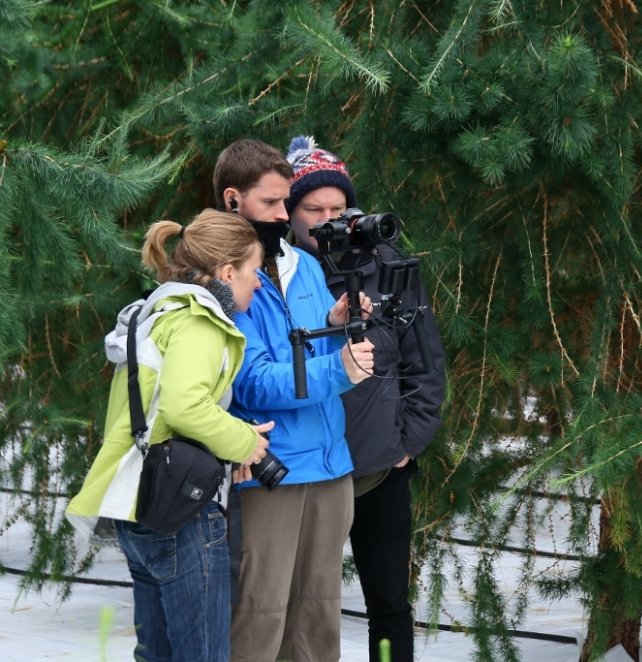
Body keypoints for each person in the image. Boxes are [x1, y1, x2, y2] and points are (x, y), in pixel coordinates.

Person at [66, 209, 272, 662]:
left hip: (138, 501)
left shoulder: (159, 312)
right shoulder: (200, 321)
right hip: (183, 512)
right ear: (227, 272)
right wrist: (244, 442)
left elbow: (162, 409)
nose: (259, 283)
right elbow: (185, 406)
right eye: (254, 271)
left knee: (156, 654)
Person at [283, 136, 447, 662]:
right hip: (307, 468)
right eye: (314, 210)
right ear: (289, 212)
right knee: (302, 600)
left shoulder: (387, 263)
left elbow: (425, 361)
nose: (329, 220)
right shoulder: (275, 271)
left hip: (380, 464)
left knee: (389, 604)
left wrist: (406, 445)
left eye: (338, 208)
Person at [212, 139, 375, 662]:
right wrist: (339, 367)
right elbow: (252, 382)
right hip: (270, 471)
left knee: (318, 617)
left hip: (330, 465)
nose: (285, 215)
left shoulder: (303, 264)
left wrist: (335, 325)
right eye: (271, 202)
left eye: (287, 201)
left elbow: (308, 352)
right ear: (233, 199)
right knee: (260, 617)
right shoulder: (223, 275)